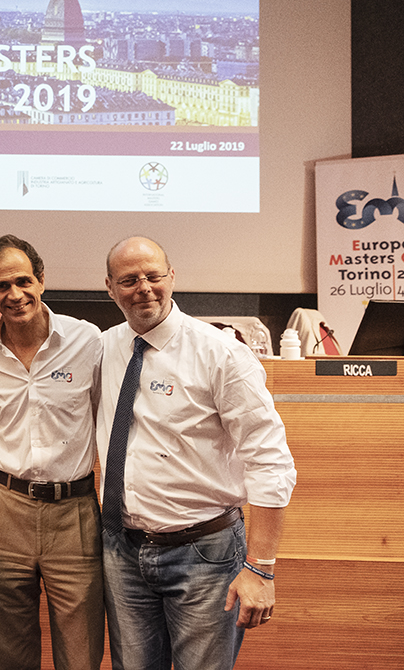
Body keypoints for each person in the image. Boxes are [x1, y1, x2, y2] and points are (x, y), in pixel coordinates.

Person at [98, 236, 296, 670]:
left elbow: (270, 459)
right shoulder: (106, 348)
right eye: (129, 280)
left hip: (205, 552)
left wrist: (261, 567)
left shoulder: (221, 353)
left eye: (153, 275)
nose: (143, 288)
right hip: (122, 552)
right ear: (110, 287)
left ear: (172, 277)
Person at [0, 235, 104, 670]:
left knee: (80, 653)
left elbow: (106, 415)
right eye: (2, 285)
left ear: (42, 281)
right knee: (10, 652)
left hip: (75, 515)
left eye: (23, 281)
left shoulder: (88, 342)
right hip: (5, 511)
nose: (15, 294)